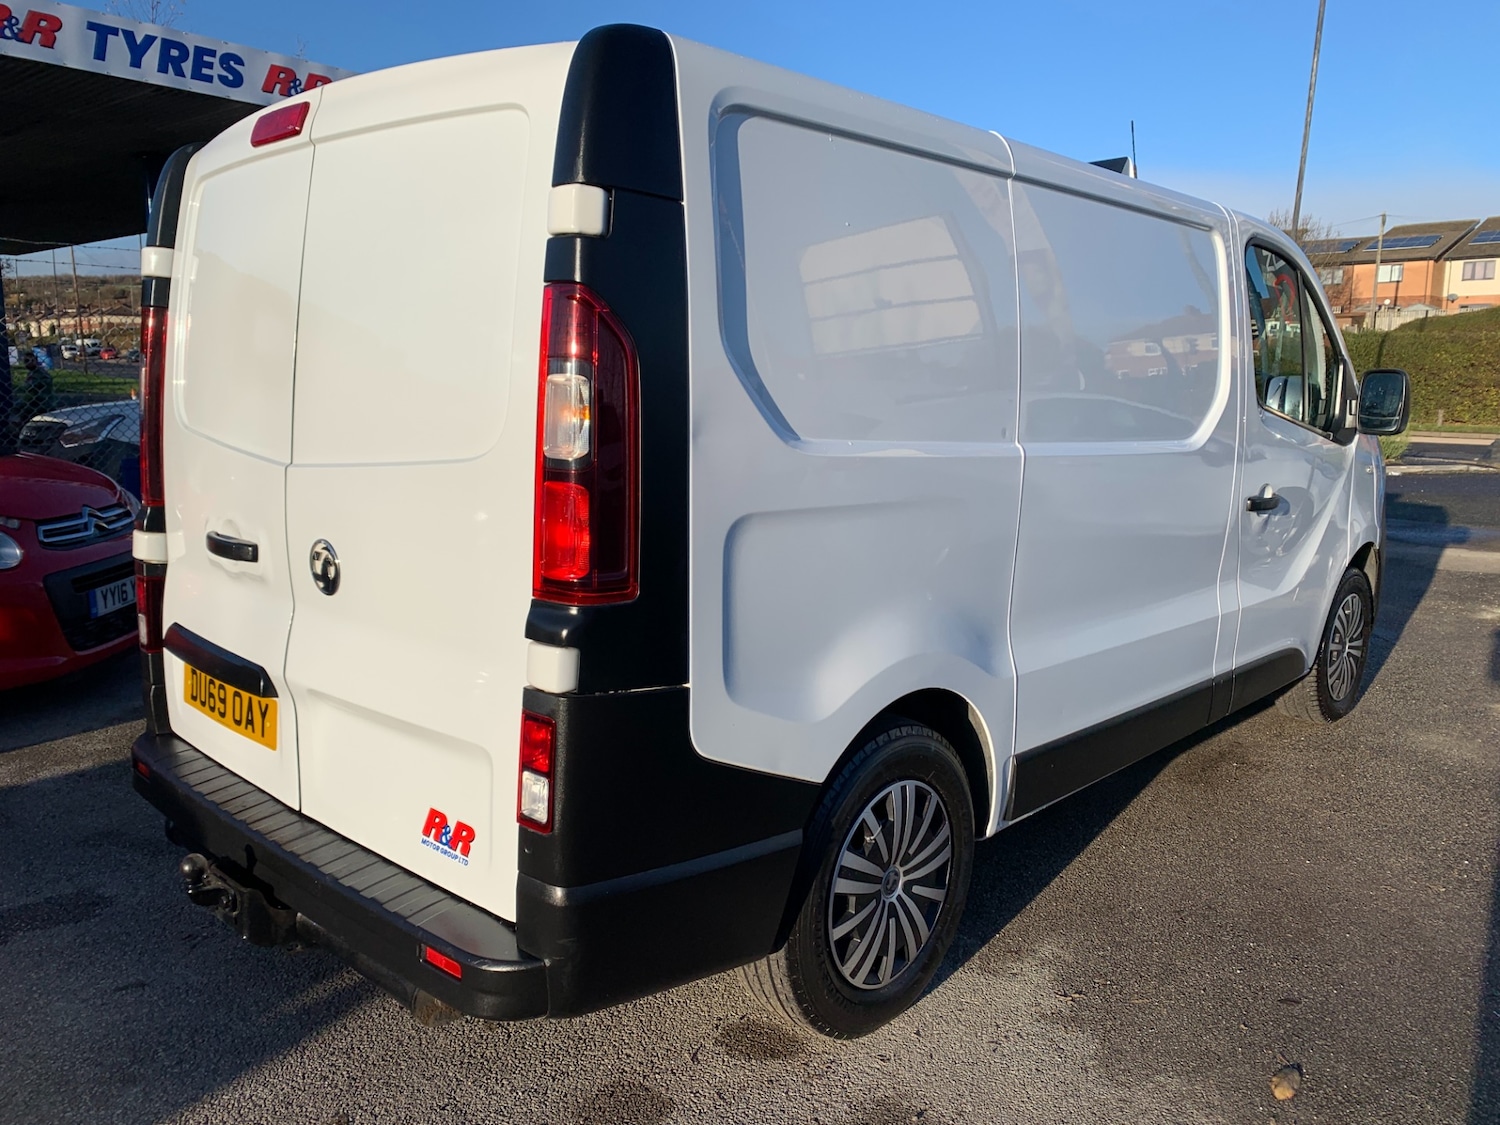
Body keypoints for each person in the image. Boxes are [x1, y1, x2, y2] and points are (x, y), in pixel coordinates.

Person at [19, 351, 52, 420]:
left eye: (31, 360)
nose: (28, 363)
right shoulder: (31, 373)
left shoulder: (41, 373)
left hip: (41, 403)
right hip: (33, 402)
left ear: (35, 361)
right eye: (26, 361)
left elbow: (45, 382)